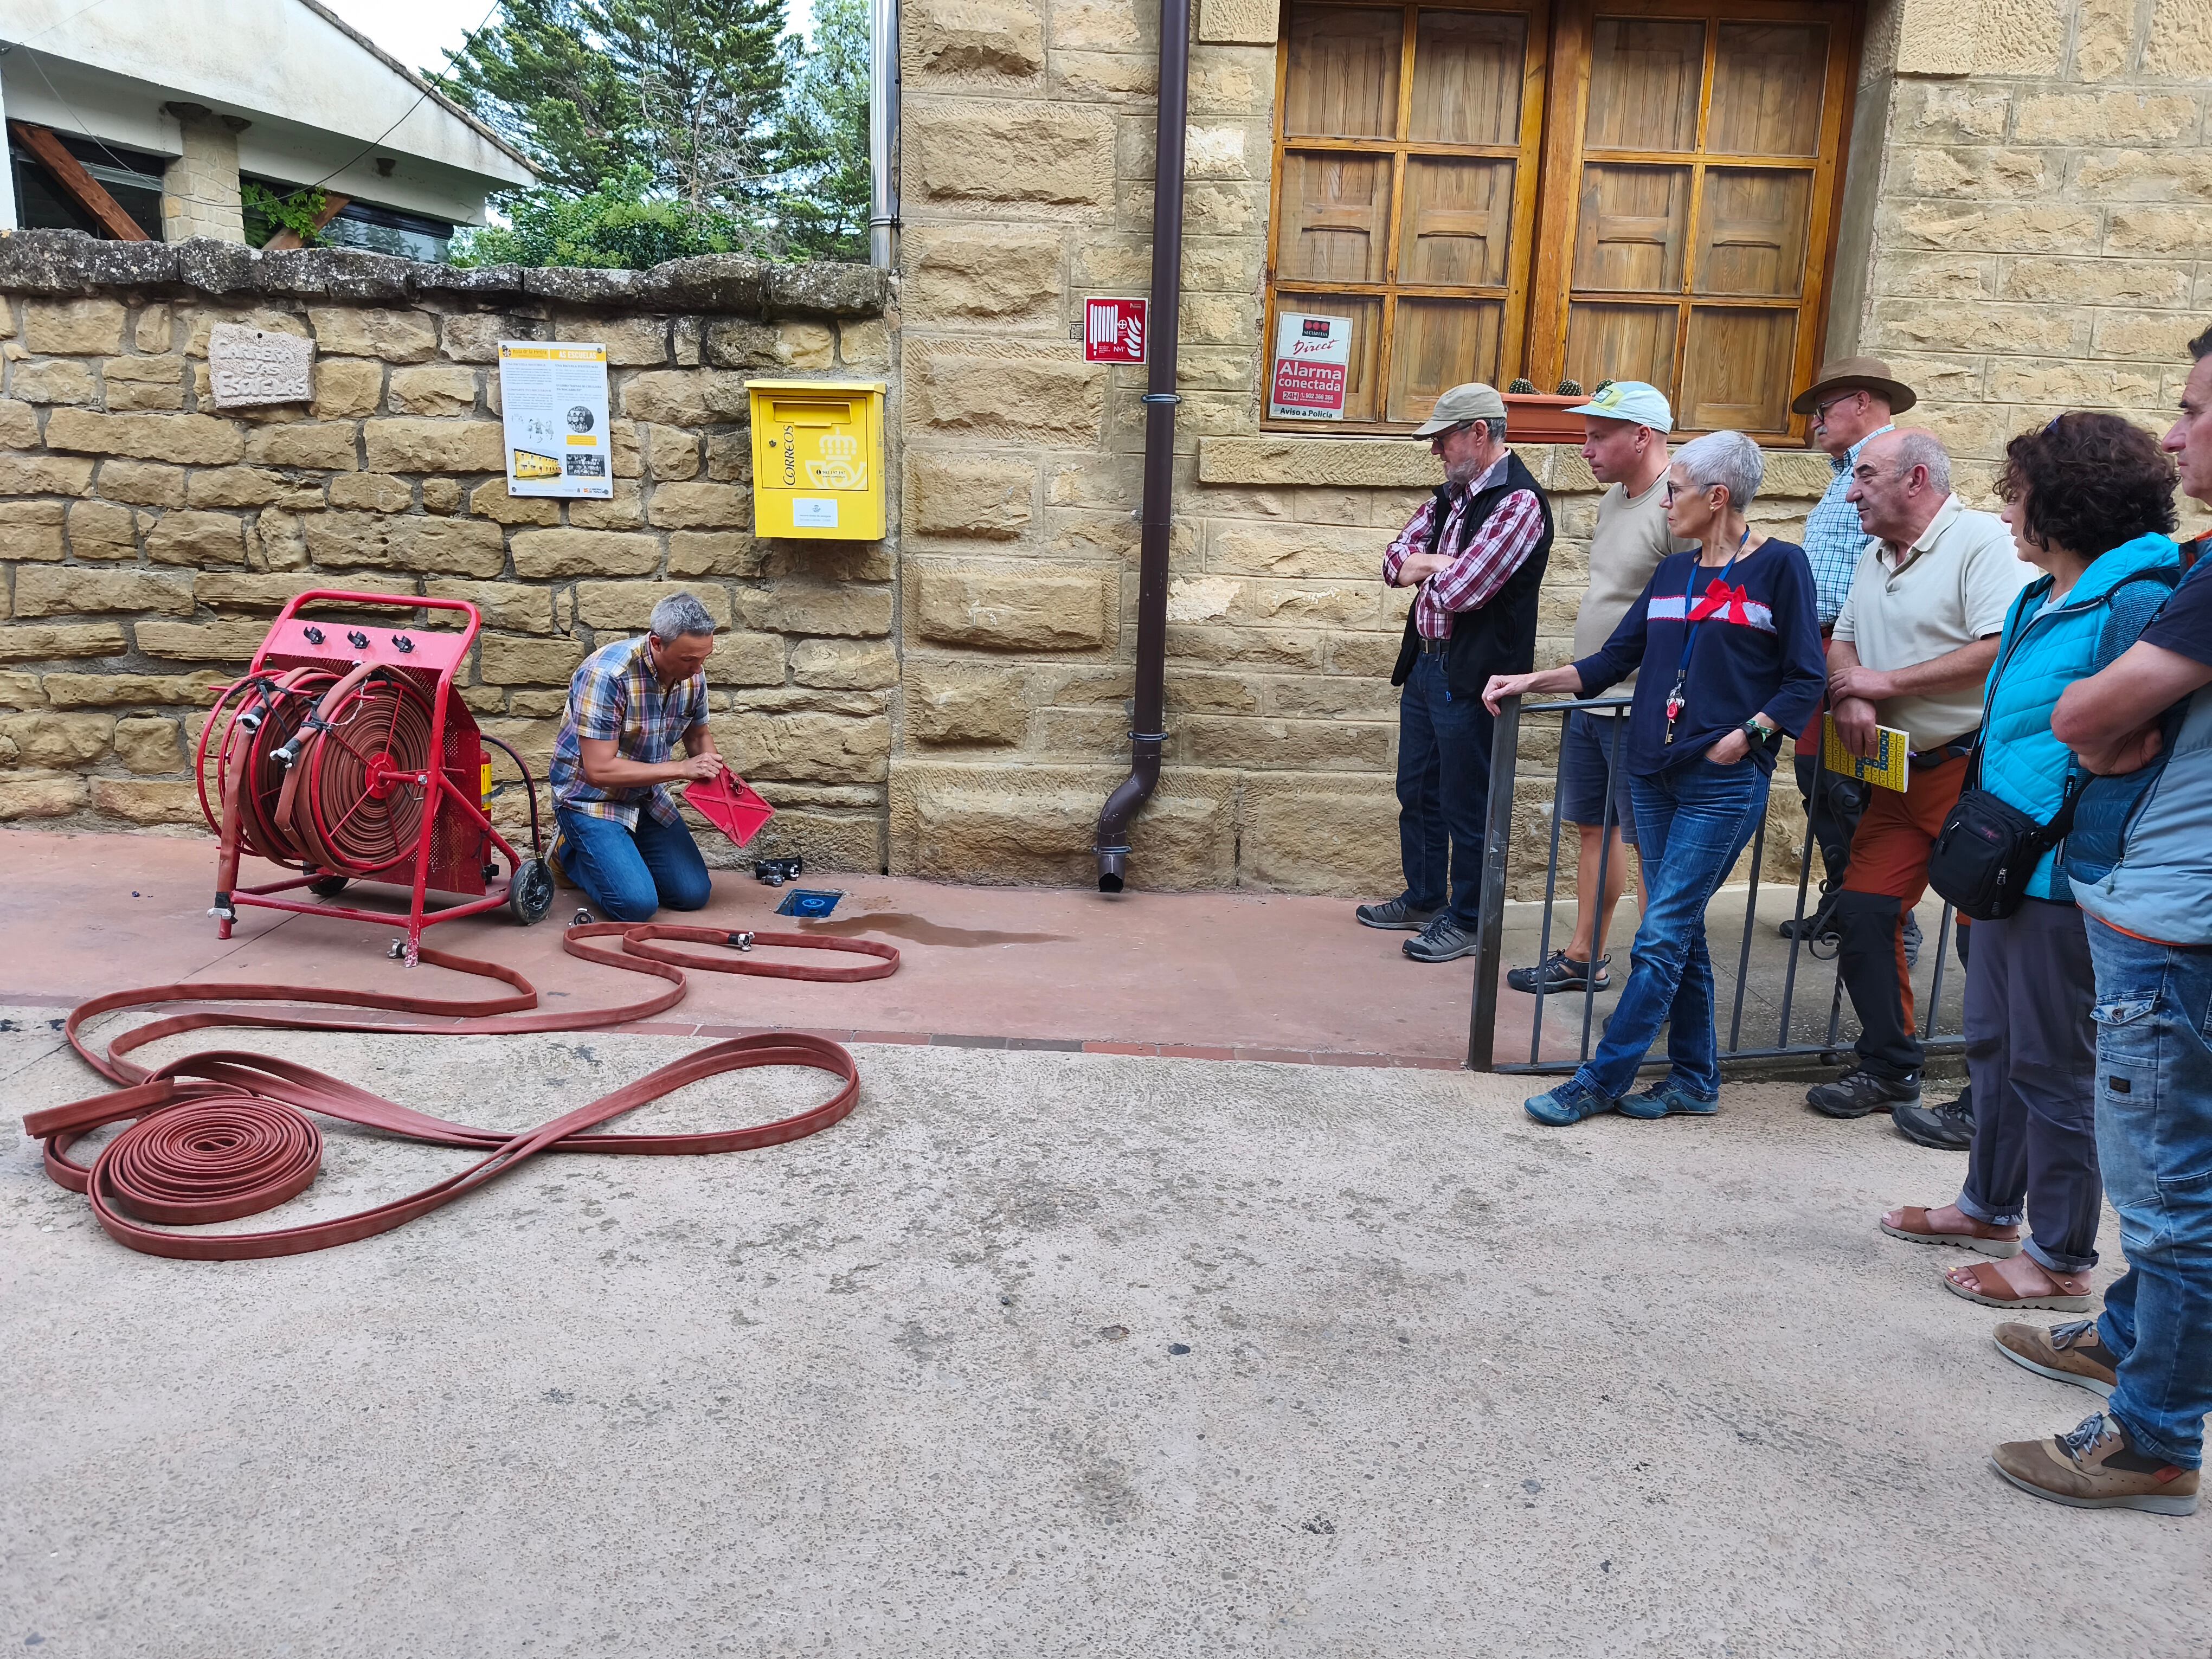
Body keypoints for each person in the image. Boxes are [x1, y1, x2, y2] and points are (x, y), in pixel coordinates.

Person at [1877, 415, 2181, 1321]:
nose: (2007, 510)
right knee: (1996, 1050)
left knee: (2053, 1067)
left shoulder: (2134, 596)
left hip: (2062, 878)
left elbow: (2135, 743)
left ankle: (2059, 1257)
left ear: (2068, 499)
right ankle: (1986, 1208)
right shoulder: (2040, 595)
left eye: (2018, 492)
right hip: (2009, 868)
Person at [1985, 336, 2212, 1515]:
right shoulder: (2193, 565)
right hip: (2155, 906)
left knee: (2173, 1200)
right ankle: (2129, 1339)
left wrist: (2096, 717)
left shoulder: (2187, 580)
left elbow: (2096, 715)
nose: (2174, 438)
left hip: (2176, 922)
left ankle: (2154, 1440)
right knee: (2175, 1181)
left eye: (2192, 412)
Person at [1482, 432, 1824, 1126]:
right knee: (1682, 930)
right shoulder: (1672, 575)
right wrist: (1535, 680)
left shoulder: (1782, 568)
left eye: (1677, 491)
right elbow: (1610, 662)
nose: (1666, 502)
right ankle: (1696, 1081)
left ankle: (1600, 1078)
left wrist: (1749, 735)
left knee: (1660, 933)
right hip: (1651, 772)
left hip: (1721, 781)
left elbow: (1806, 677)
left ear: (1717, 497)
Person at [1804, 430, 2033, 1122]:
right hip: (1896, 774)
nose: (1851, 492)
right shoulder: (1878, 553)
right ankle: (1889, 1069)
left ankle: (1992, 1096)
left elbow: (2001, 646)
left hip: (1970, 773)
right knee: (1865, 912)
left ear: (1917, 478)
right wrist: (1852, 691)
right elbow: (1842, 634)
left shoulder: (1982, 543)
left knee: (1984, 935)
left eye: (1865, 475)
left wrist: (1885, 681)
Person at [1357, 383, 1554, 964]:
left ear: (1478, 433)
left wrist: (1430, 567)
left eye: (1442, 439)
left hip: (1474, 678)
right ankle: (1424, 897)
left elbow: (1463, 592)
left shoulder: (1518, 503)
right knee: (1416, 789)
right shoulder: (1451, 496)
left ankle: (1468, 920)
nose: (1435, 451)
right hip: (1425, 664)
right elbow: (1393, 560)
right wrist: (1428, 563)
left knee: (1466, 801)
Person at [1506, 381, 1687, 996]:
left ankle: (1661, 977)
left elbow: (1696, 613)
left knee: (1651, 846)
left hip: (1643, 706)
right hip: (1596, 695)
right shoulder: (1615, 501)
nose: (1586, 449)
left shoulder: (1679, 504)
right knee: (1594, 828)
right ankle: (1584, 956)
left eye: (1599, 435)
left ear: (1643, 436)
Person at [1780, 357, 1912, 954]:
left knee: (1848, 783)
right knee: (1824, 779)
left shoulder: (1896, 463)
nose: (1813, 425)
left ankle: (1885, 915)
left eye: (1821, 410)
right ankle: (1846, 902)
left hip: (1855, 649)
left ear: (1860, 402)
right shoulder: (1846, 474)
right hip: (1826, 645)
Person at [549, 592, 728, 923]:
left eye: (704, 658)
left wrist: (725, 798)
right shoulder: (606, 675)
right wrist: (681, 770)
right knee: (636, 907)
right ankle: (567, 854)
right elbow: (599, 770)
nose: (699, 668)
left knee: (692, 895)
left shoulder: (692, 673)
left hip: (647, 796)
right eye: (690, 659)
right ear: (657, 643)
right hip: (590, 799)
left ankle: (620, 851)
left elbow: (698, 735)